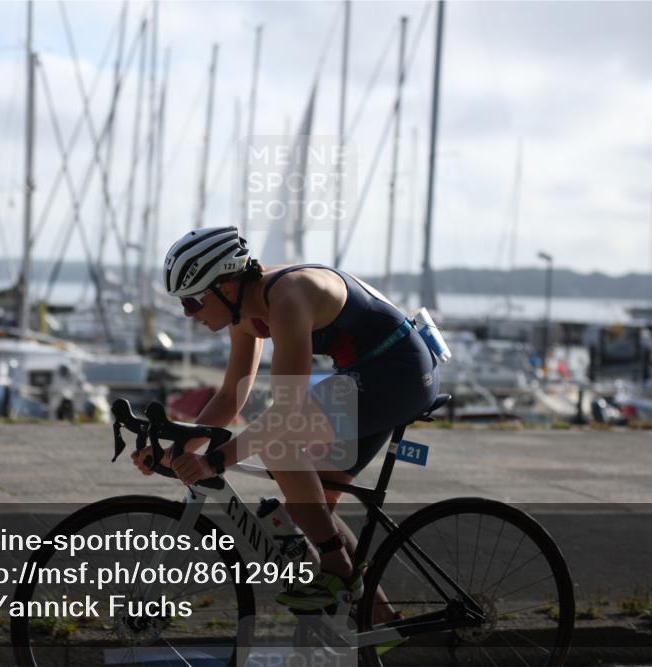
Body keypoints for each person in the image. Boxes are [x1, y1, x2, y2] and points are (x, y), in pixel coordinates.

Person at [132, 226, 440, 622]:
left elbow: (285, 414)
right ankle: (381, 627)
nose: (188, 314)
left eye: (192, 301)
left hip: (400, 373)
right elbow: (230, 397)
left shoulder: (288, 298)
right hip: (367, 373)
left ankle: (338, 572)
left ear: (226, 286)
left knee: (280, 446)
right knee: (311, 509)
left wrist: (214, 461)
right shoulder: (244, 313)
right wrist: (176, 451)